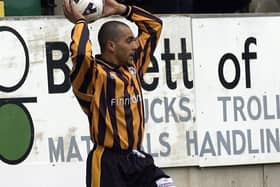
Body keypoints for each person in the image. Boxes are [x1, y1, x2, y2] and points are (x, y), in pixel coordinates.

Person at [63, 0, 176, 186]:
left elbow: (154, 27)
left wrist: (122, 9)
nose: (134, 46)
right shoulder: (92, 77)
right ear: (111, 46)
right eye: (129, 40)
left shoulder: (134, 67)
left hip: (137, 159)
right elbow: (82, 54)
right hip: (107, 163)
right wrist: (81, 23)